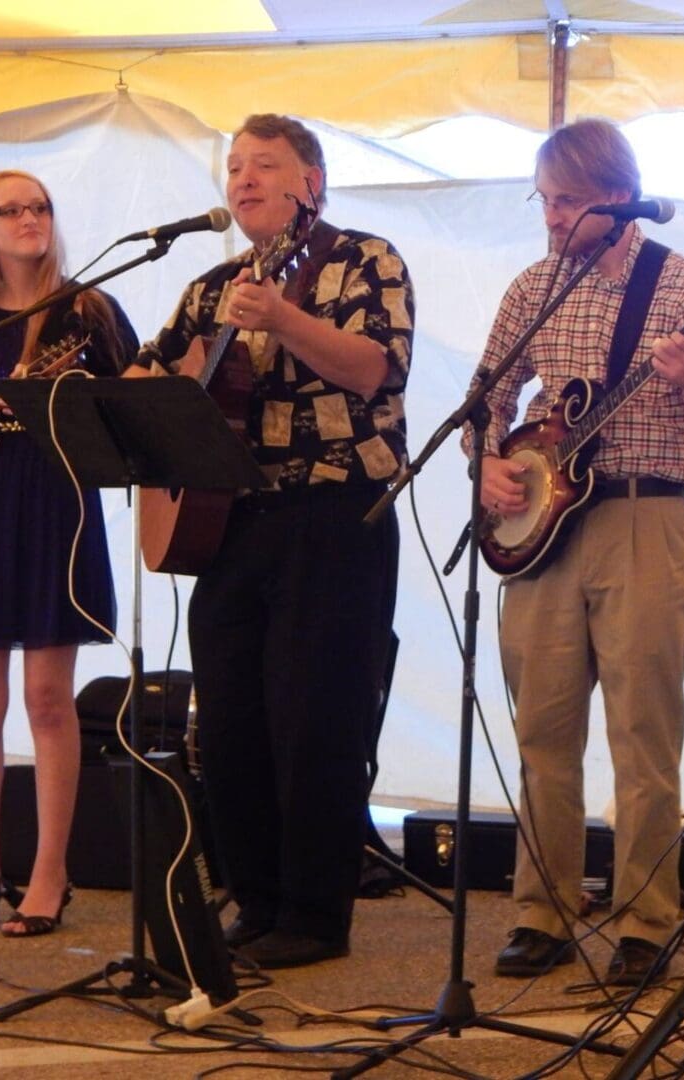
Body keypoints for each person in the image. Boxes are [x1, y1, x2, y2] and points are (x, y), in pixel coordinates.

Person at [466, 118, 684, 986]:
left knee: (641, 733)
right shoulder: (532, 288)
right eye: (545, 201)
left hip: (644, 522)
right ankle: (543, 912)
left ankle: (645, 923)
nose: (551, 219)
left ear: (620, 203)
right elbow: (487, 395)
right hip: (546, 526)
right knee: (543, 730)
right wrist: (488, 465)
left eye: (571, 204)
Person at [133, 114, 410, 969]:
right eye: (234, 166)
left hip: (334, 517)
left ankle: (315, 917)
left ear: (311, 182)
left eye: (265, 165)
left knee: (315, 720)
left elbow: (376, 369)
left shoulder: (368, 258)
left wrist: (286, 320)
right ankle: (254, 900)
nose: (244, 179)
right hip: (228, 526)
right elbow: (149, 374)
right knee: (231, 720)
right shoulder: (212, 285)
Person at [0, 170, 136, 938]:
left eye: (38, 206)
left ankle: (50, 872)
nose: (28, 219)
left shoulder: (90, 309)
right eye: (10, 209)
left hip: (57, 508)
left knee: (49, 702)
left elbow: (140, 401)